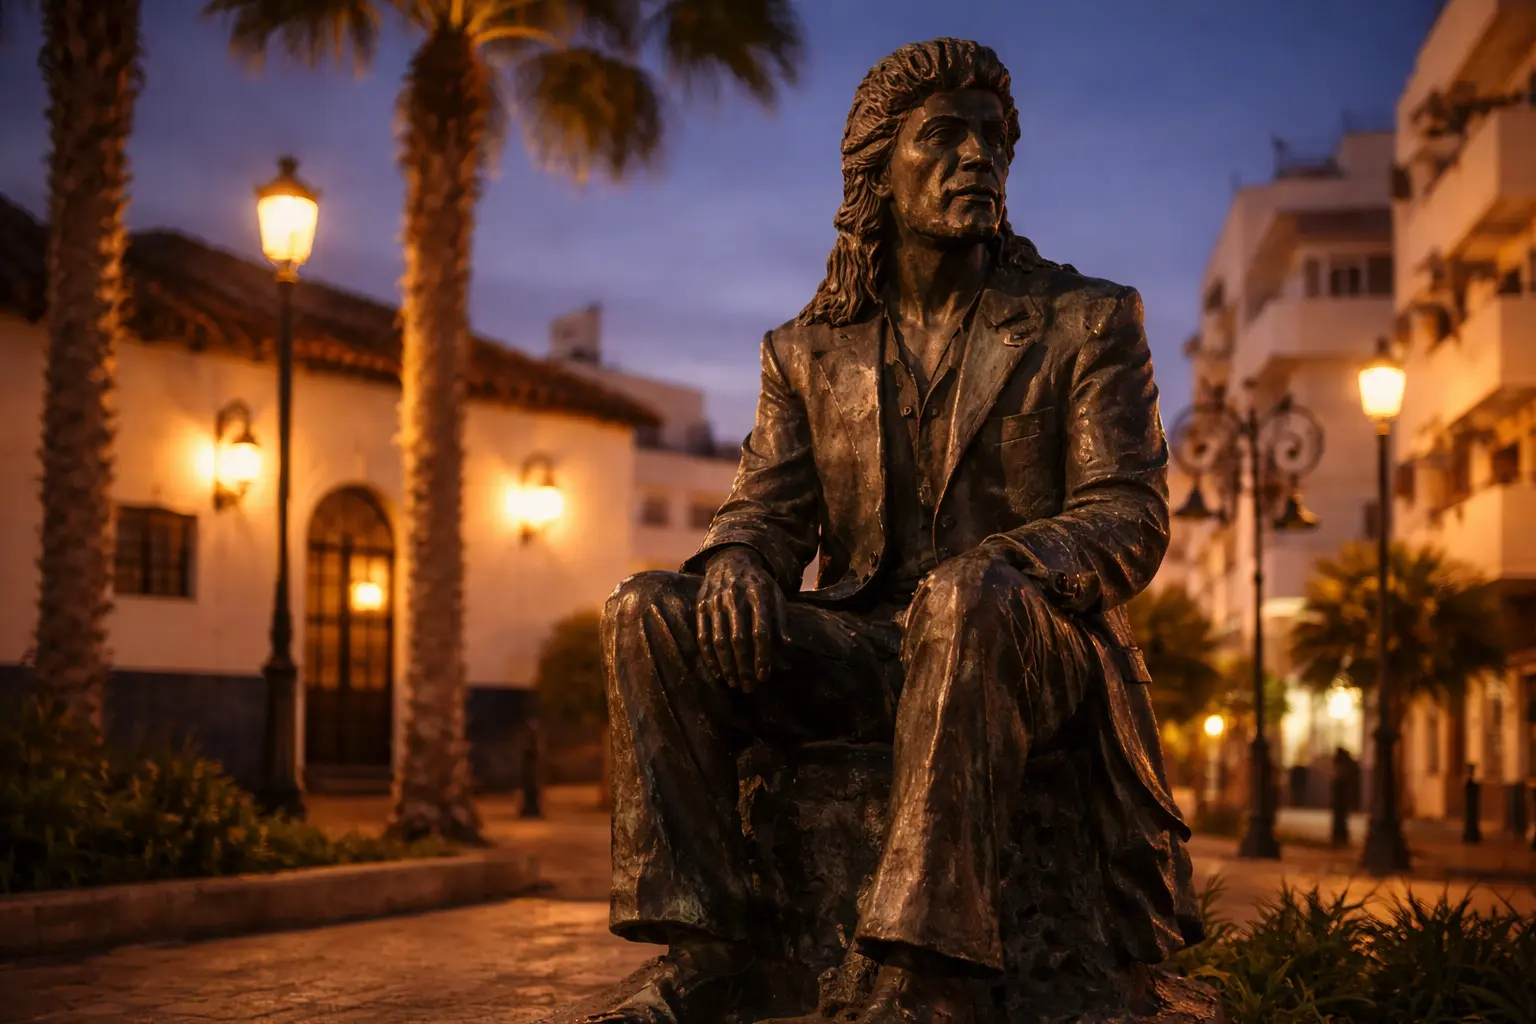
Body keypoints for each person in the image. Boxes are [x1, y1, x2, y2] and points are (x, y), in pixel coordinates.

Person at [594, 38, 1201, 1024]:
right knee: (648, 611)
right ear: (877, 168)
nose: (980, 159)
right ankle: (707, 949)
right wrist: (740, 558)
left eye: (996, 140)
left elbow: (1127, 512)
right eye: (947, 137)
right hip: (867, 645)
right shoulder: (806, 351)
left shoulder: (1084, 321)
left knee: (965, 600)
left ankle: (924, 975)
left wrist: (1003, 564)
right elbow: (765, 509)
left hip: (1023, 646)